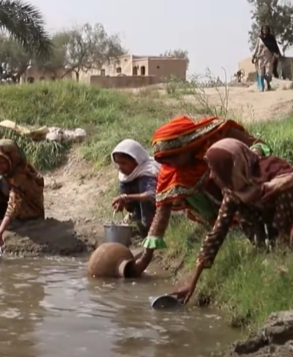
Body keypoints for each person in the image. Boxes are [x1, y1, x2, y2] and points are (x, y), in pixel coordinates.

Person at [128, 116, 271, 278]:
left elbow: (259, 145)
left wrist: (247, 158)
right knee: (184, 192)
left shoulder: (220, 136)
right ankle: (224, 225)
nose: (172, 165)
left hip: (246, 184)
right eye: (167, 161)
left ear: (188, 146)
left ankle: (254, 228)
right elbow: (162, 211)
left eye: (174, 157)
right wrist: (145, 259)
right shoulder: (171, 172)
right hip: (223, 204)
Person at [172, 138, 293, 304]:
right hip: (267, 223)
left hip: (288, 218)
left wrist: (273, 188)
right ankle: (267, 247)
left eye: (215, 170)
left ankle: (283, 247)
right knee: (242, 209)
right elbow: (217, 233)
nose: (212, 176)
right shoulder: (233, 192)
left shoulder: (272, 170)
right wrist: (191, 282)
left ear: (231, 167)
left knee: (286, 193)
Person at [111, 139, 160, 236]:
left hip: (161, 206)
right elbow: (126, 195)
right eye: (118, 163)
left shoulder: (148, 170)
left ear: (136, 160)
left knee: (144, 194)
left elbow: (151, 195)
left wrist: (126, 197)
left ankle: (149, 228)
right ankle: (137, 219)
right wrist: (123, 202)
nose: (120, 167)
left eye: (123, 163)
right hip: (140, 204)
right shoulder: (126, 175)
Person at [252, 25, 281, 92]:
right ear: (262, 30)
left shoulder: (271, 38)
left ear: (268, 30)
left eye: (266, 30)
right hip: (260, 57)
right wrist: (253, 56)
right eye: (263, 30)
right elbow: (256, 48)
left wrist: (275, 55)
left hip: (269, 58)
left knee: (268, 73)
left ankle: (268, 84)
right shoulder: (259, 38)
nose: (265, 31)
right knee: (261, 73)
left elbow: (275, 48)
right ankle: (261, 87)